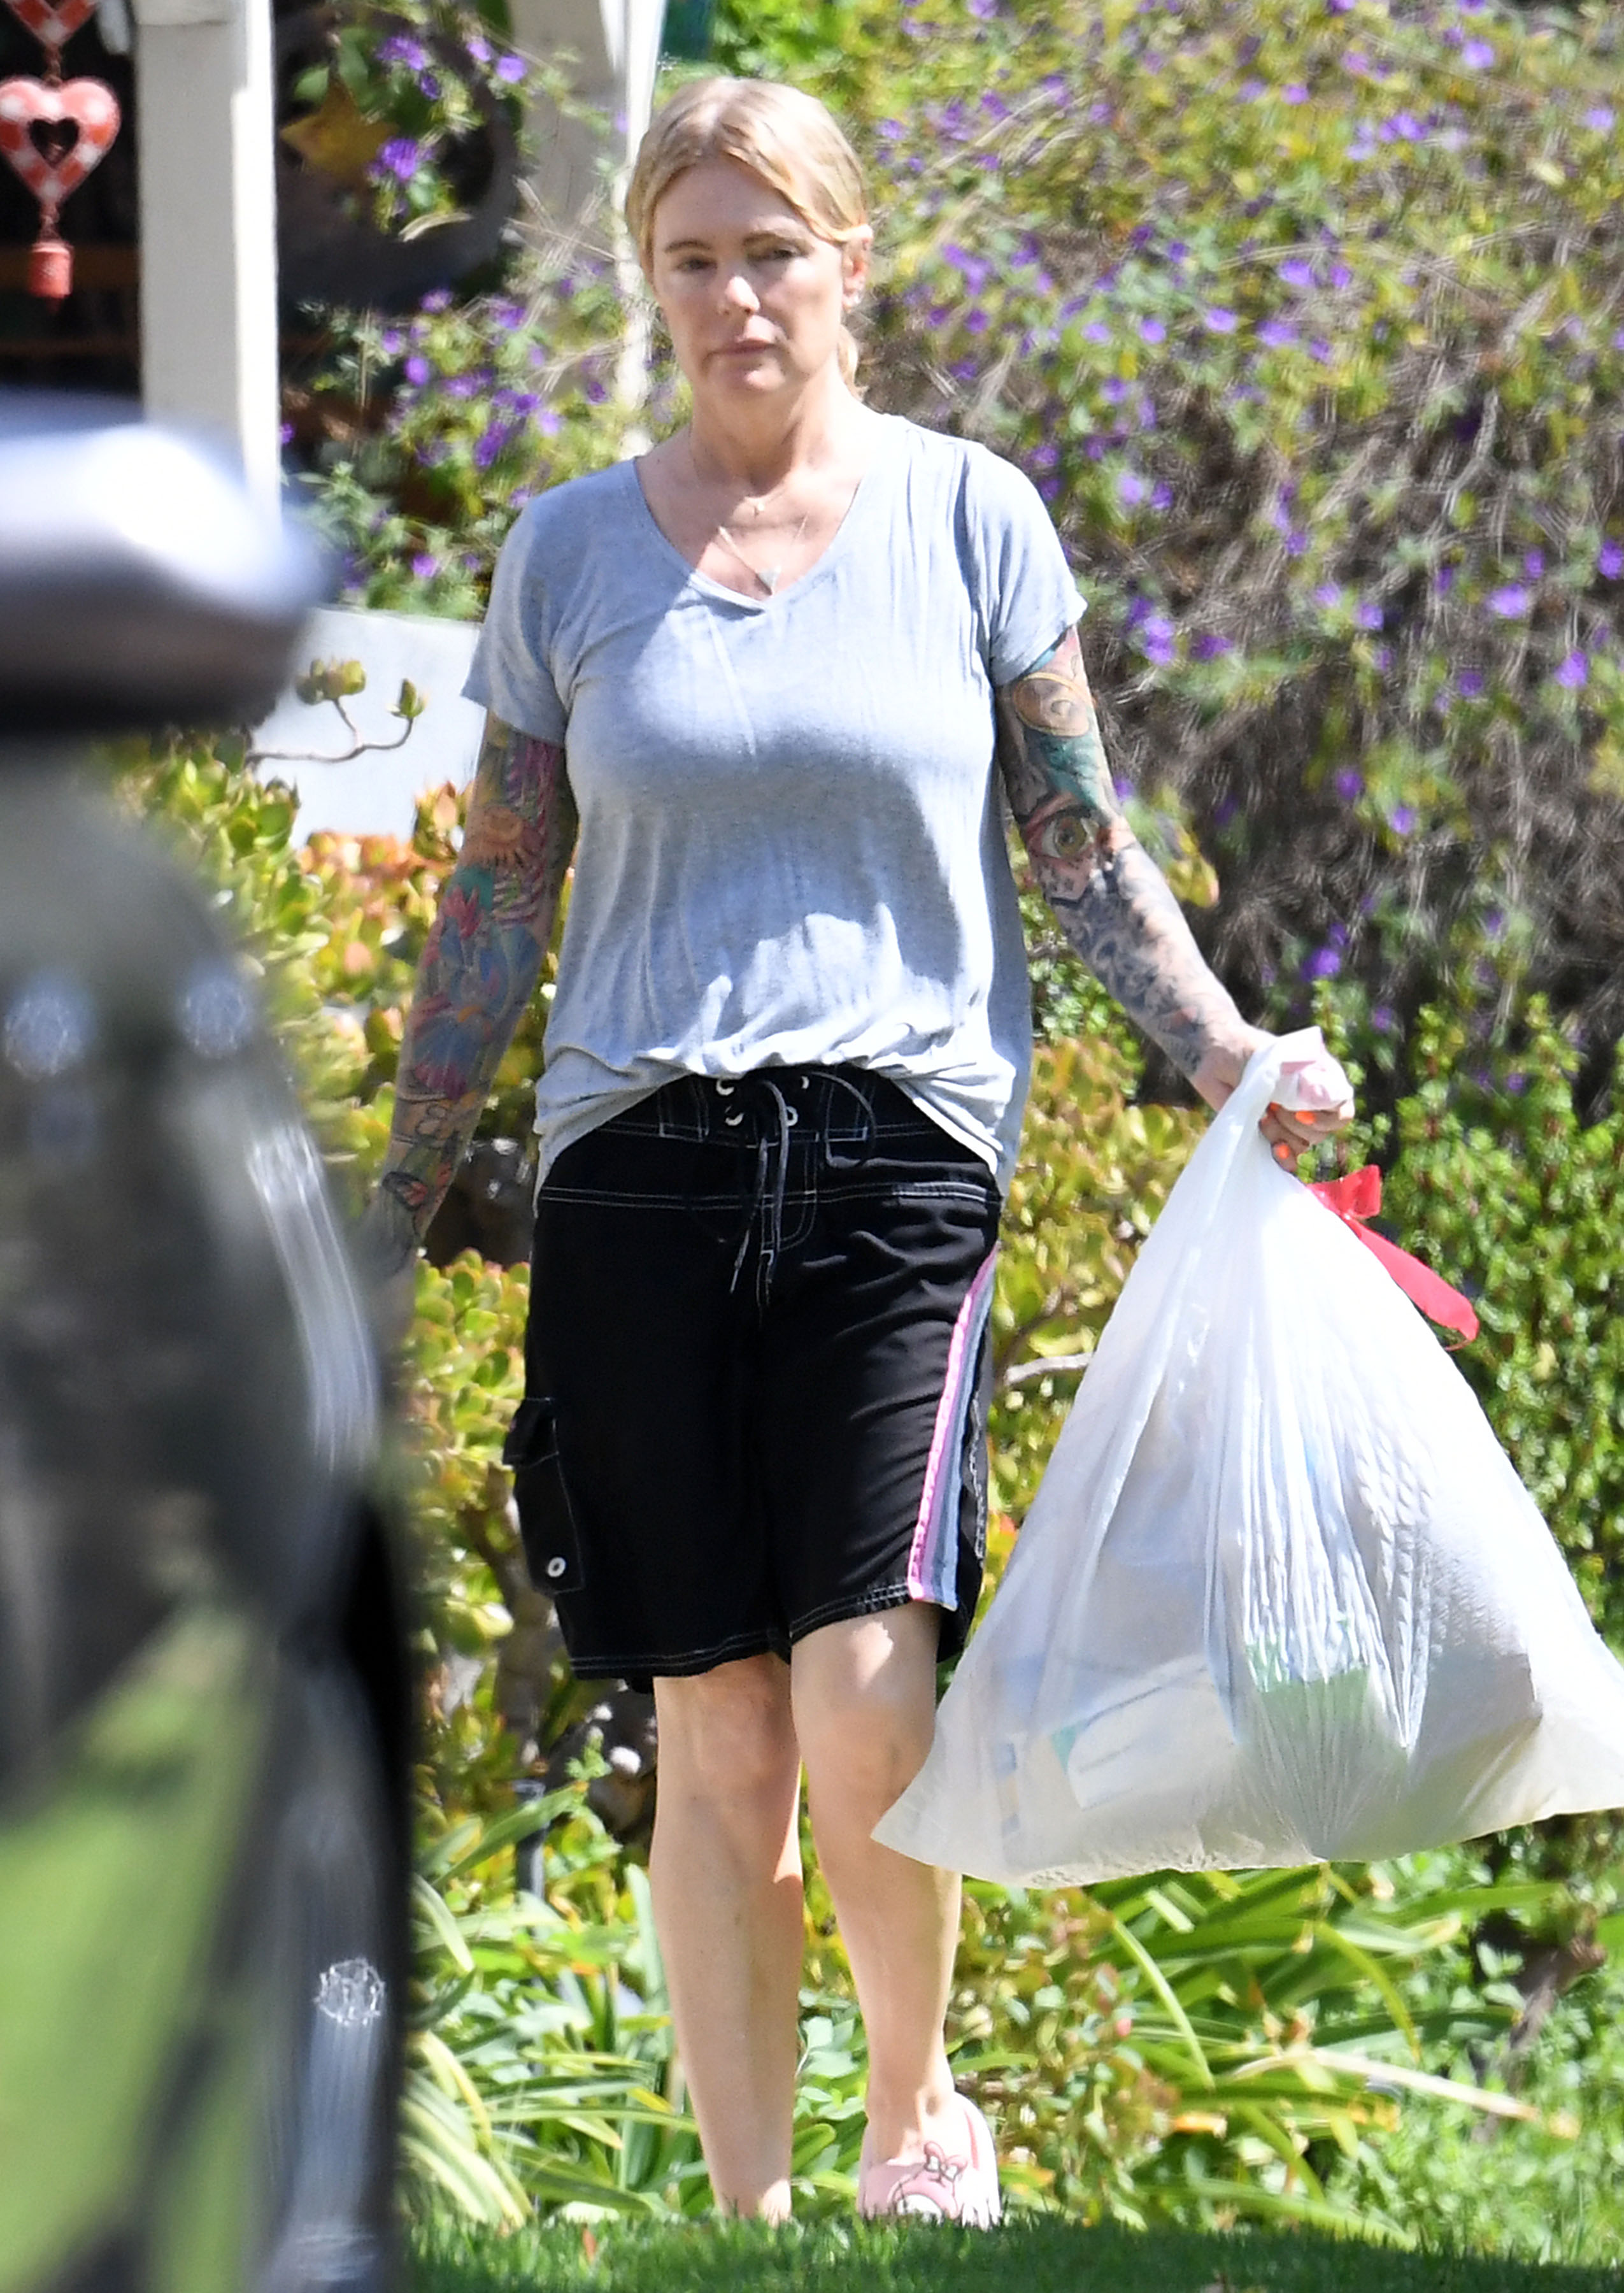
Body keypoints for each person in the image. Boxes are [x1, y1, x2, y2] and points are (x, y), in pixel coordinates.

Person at [362, 75, 1350, 2227]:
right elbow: (497, 907)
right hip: (636, 1167)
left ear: (849, 263)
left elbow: (1079, 855)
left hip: (898, 1154)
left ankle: (918, 2129)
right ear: (653, 278)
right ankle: (748, 2223)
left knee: (866, 1683)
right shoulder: (566, 555)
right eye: (695, 258)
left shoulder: (970, 518)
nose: (736, 297)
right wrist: (391, 1191)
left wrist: (1228, 1058)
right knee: (714, 1730)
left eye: (773, 251)